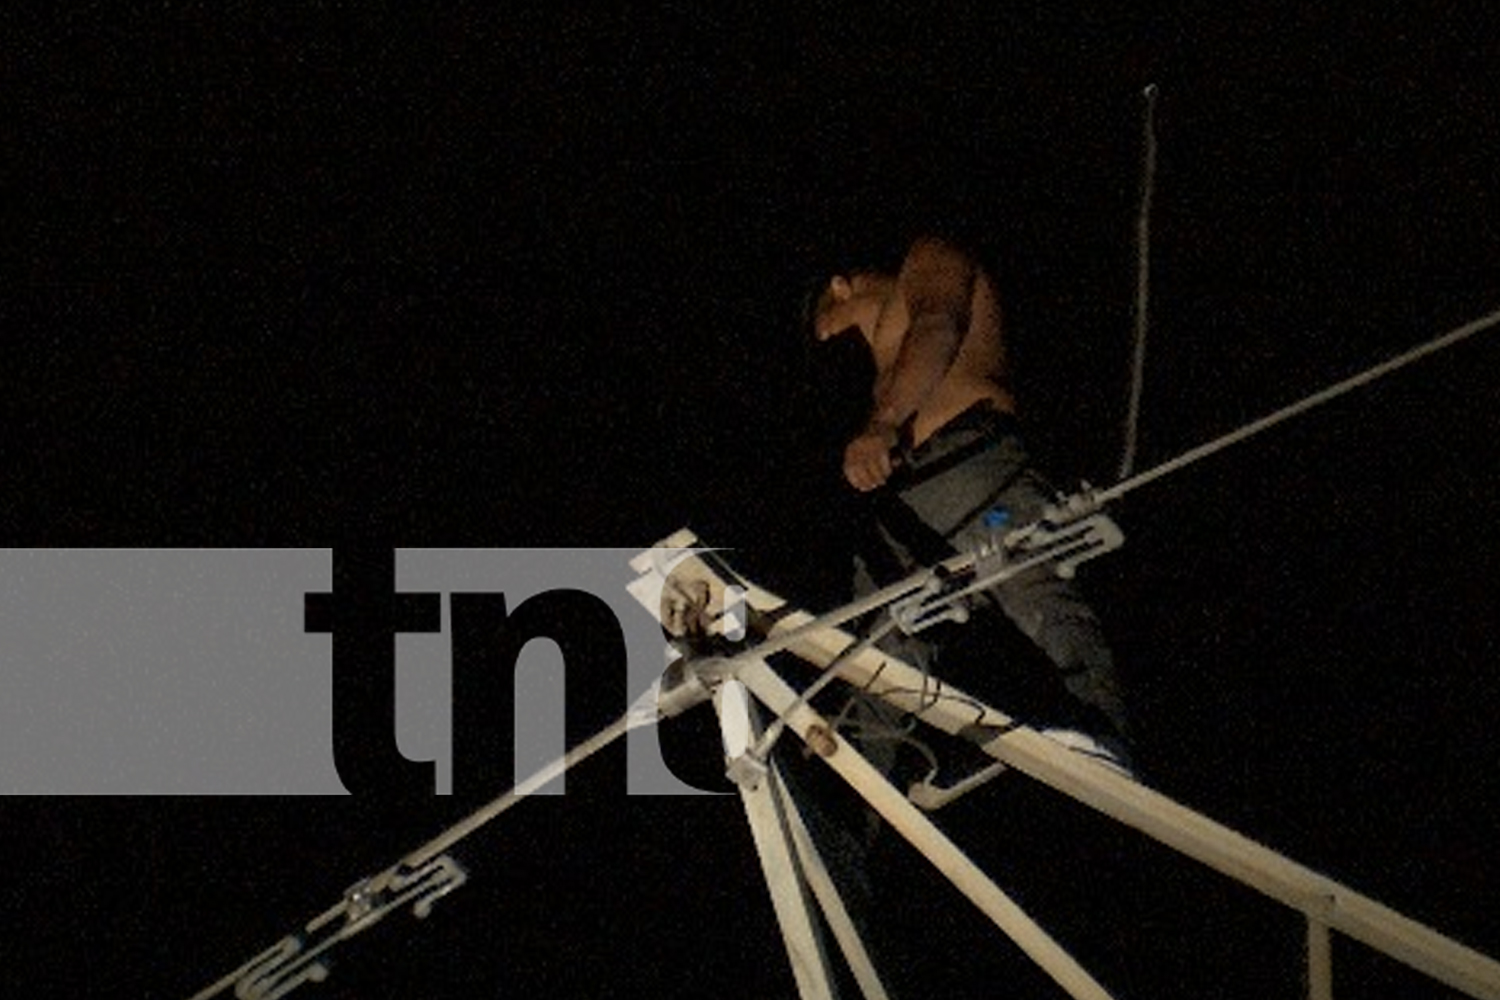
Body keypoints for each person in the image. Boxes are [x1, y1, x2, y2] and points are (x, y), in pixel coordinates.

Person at [806, 234, 1133, 772]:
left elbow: (939, 327)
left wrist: (884, 424)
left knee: (1028, 579)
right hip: (910, 492)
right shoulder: (877, 368)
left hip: (971, 456)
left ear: (841, 289)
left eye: (829, 329)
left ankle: (1101, 734)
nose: (835, 345)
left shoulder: (926, 259)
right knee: (877, 645)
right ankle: (854, 793)